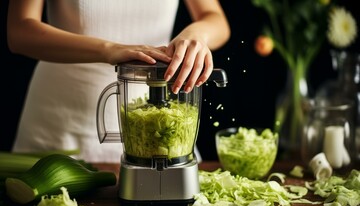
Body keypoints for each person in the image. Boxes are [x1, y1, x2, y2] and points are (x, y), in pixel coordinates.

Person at [7, 0, 230, 163]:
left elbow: (214, 18)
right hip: (58, 127)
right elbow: (20, 30)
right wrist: (110, 49)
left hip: (156, 128)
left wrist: (196, 34)